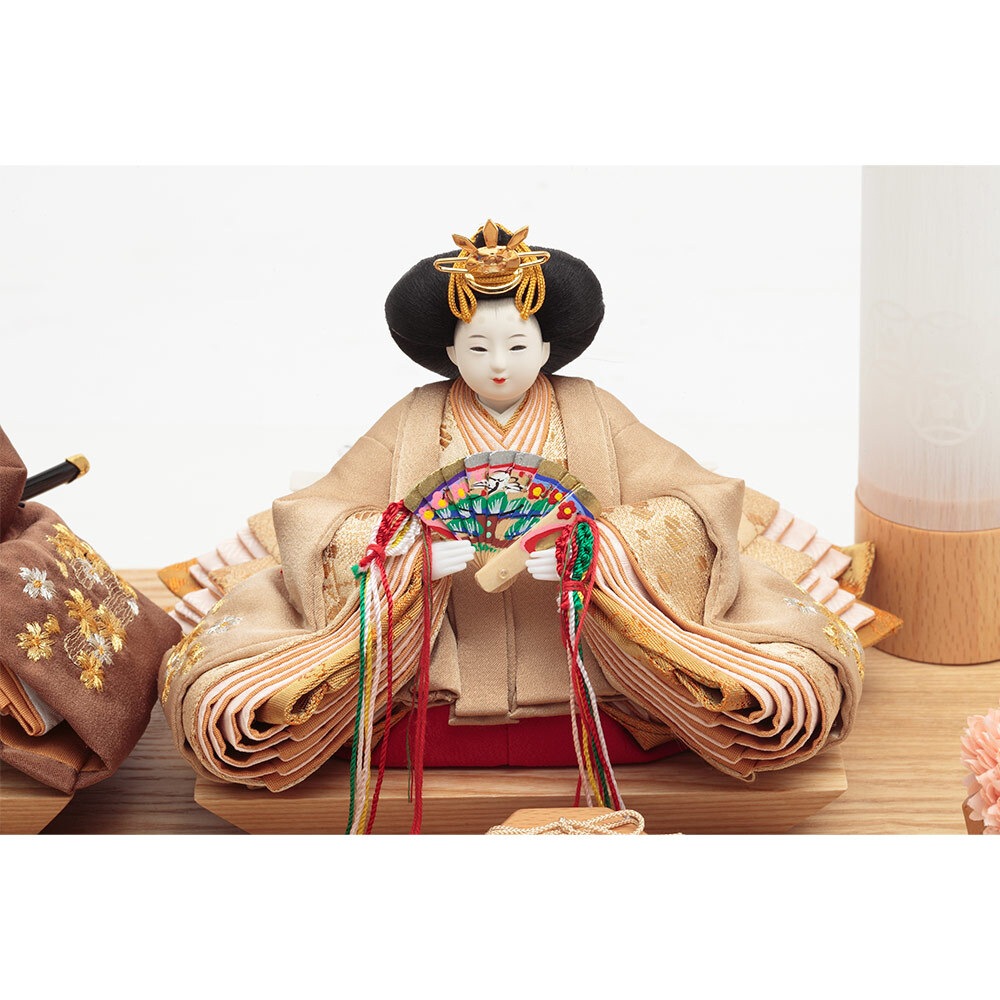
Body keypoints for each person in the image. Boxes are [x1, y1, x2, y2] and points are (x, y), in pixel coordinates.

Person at [158, 221, 895, 823]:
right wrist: (411, 556)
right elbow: (317, 511)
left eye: (517, 346)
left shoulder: (592, 409)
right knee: (242, 703)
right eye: (478, 348)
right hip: (435, 656)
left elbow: (697, 496)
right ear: (450, 352)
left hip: (590, 654)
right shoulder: (414, 417)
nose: (499, 365)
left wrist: (598, 552)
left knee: (778, 690)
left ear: (547, 347)